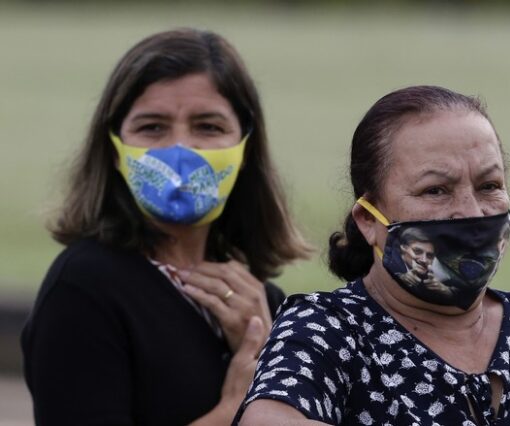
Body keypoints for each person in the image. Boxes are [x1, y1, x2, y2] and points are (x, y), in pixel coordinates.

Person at [236, 86, 510, 425]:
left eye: (488, 186)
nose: (470, 212)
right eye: (436, 190)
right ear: (368, 219)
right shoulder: (329, 331)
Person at [21, 28, 311, 426]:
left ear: (244, 147)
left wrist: (267, 352)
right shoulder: (84, 288)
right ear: (116, 151)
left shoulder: (260, 300)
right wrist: (234, 411)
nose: (180, 149)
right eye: (152, 127)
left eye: (207, 127)